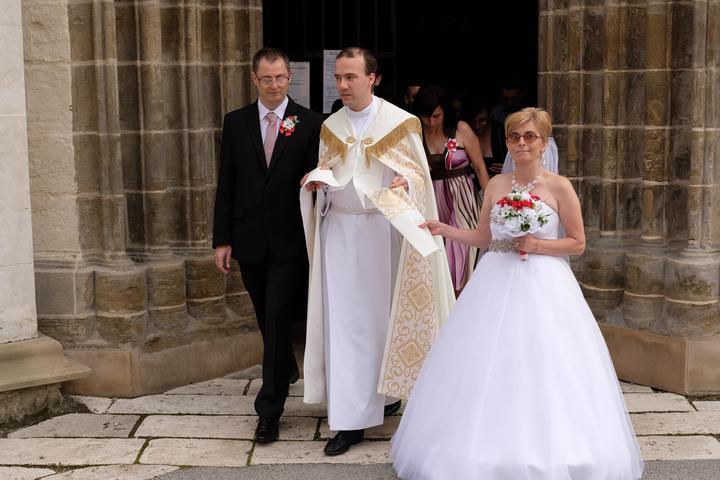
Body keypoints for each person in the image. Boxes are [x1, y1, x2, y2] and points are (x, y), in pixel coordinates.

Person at [391, 107, 644, 479]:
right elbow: (484, 237)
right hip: (495, 277)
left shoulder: (559, 186)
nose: (522, 143)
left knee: (545, 360)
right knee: (486, 359)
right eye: (514, 136)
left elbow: (577, 243)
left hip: (545, 282)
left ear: (543, 143)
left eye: (529, 136)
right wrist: (445, 229)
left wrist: (537, 245)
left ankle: (553, 447)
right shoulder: (496, 185)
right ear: (507, 142)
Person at [300, 47, 455, 456]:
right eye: (338, 77)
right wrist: (318, 181)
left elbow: (419, 176)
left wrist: (407, 183)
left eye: (350, 77)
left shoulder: (399, 123)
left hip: (381, 233)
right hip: (340, 232)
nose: (342, 84)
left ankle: (384, 396)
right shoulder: (331, 126)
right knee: (346, 325)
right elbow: (329, 170)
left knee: (379, 321)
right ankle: (350, 419)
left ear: (373, 78)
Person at [212, 47, 324, 444]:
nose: (274, 85)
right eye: (267, 78)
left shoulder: (310, 123)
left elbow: (320, 174)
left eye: (280, 78)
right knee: (265, 316)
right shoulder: (236, 122)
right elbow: (227, 182)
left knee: (277, 318)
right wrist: (222, 239)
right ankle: (286, 367)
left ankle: (269, 411)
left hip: (290, 238)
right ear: (254, 79)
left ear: (289, 77)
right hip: (249, 238)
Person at [413, 86, 490, 295]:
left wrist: (490, 204)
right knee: (437, 250)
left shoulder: (461, 129)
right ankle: (444, 302)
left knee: (463, 248)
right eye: (426, 116)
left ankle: (463, 299)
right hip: (432, 199)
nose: (431, 122)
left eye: (436, 116)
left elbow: (480, 167)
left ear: (445, 111)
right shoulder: (416, 133)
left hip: (462, 199)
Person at [465, 97, 504, 176]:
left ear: (489, 115)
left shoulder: (501, 133)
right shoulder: (464, 134)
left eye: (482, 120)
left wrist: (508, 168)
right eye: (473, 121)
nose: (477, 126)